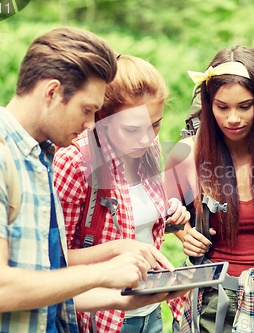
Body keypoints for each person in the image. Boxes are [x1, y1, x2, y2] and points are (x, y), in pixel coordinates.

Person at [0, 27, 184, 333]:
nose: (91, 125)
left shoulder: (39, 157)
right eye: (87, 110)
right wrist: (102, 273)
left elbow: (44, 283)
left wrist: (119, 299)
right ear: (52, 92)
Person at [164, 46, 254, 333]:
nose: (233, 119)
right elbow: (162, 213)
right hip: (213, 302)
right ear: (208, 105)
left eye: (245, 106)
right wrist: (184, 233)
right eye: (222, 107)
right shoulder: (187, 154)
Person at [53, 54, 190, 333]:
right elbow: (54, 258)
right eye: (131, 129)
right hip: (100, 316)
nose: (146, 138)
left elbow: (135, 213)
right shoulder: (75, 161)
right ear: (101, 116)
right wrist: (119, 249)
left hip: (150, 311)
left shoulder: (147, 148)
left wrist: (169, 209)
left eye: (155, 124)